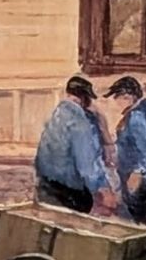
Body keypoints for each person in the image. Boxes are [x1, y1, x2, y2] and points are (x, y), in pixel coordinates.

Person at [34, 75, 118, 214]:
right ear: (85, 98)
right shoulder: (79, 121)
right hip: (70, 192)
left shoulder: (57, 115)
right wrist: (103, 189)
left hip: (46, 186)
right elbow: (86, 162)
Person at [105, 76, 146, 225]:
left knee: (137, 221)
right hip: (142, 179)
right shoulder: (144, 111)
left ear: (128, 96)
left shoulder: (137, 117)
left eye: (117, 97)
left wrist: (139, 173)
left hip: (138, 181)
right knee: (143, 220)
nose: (115, 102)